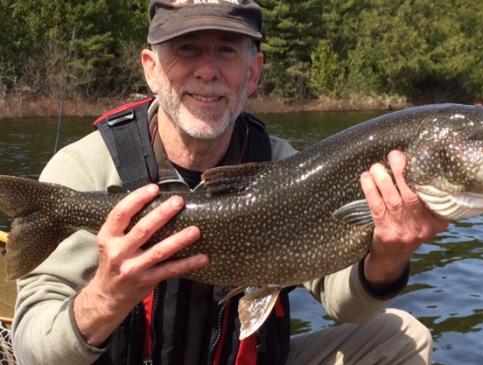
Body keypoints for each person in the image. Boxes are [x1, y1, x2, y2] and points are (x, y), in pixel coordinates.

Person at [12, 1, 449, 364]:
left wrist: (387, 259)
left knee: (402, 336)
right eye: (186, 49)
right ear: (151, 69)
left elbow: (346, 306)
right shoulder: (81, 172)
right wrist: (106, 297)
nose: (207, 70)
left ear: (253, 72)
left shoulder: (286, 167)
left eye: (225, 50)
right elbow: (33, 350)